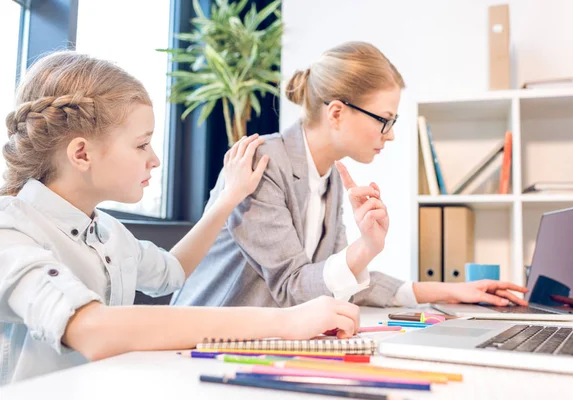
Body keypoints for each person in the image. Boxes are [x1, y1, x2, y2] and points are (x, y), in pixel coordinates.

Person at [0, 51, 360, 385]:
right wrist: (285, 322)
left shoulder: (109, 233)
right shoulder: (11, 231)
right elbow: (92, 328)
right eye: (142, 144)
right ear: (81, 153)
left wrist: (227, 198)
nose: (154, 159)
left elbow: (172, 272)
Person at [172, 41, 528, 309]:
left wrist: (451, 291)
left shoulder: (330, 179)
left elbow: (337, 279)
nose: (390, 134)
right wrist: (366, 247)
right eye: (384, 120)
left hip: (263, 340)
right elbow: (292, 287)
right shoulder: (264, 163)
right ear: (338, 113)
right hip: (200, 344)